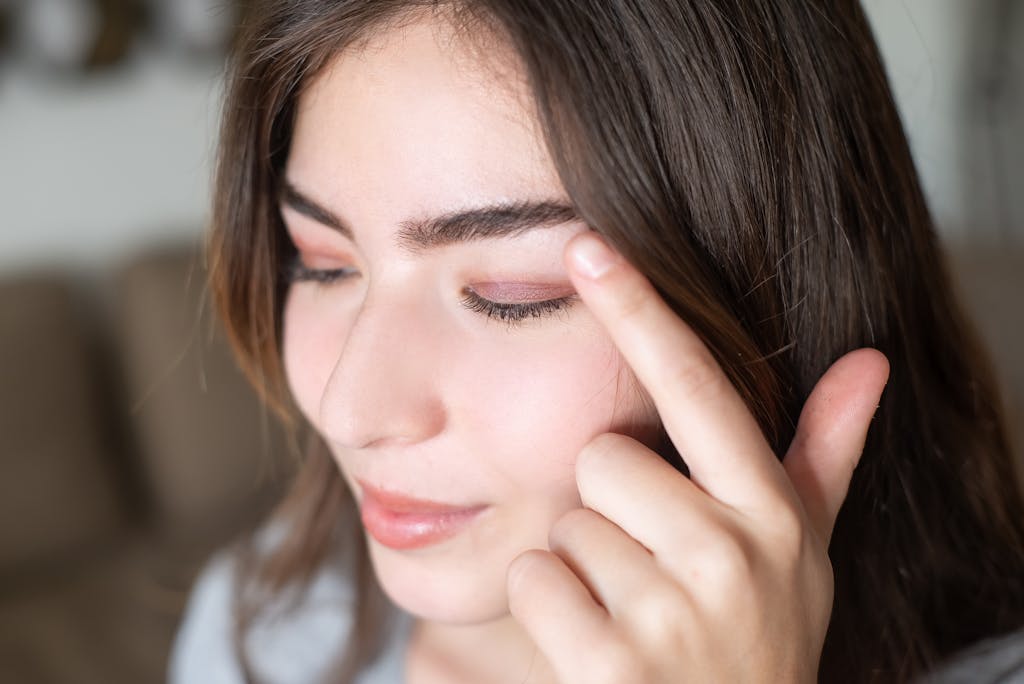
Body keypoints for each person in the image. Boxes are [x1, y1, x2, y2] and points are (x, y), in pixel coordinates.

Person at [169, 1, 1024, 682]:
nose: (351, 410)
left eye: (509, 295)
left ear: (771, 306)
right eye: (321, 265)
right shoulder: (264, 630)